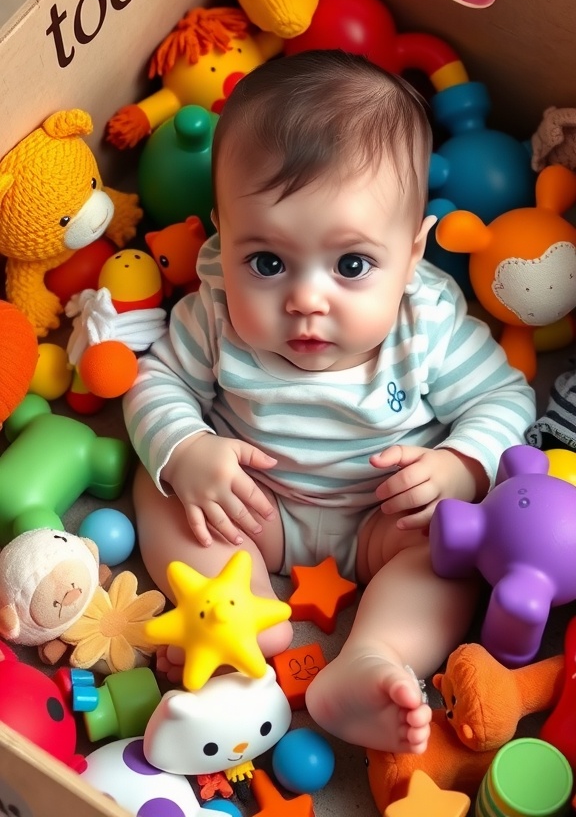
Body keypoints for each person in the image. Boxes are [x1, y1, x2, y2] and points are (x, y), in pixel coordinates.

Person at [125, 50, 536, 754]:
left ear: (410, 257)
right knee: (160, 482)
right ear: (223, 242)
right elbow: (153, 383)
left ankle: (371, 659)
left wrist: (461, 468)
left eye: (351, 265)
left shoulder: (428, 321)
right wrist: (188, 451)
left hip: (384, 517)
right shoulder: (214, 313)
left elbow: (505, 397)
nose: (306, 299)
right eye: (268, 262)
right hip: (254, 511)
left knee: (454, 546)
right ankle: (238, 618)